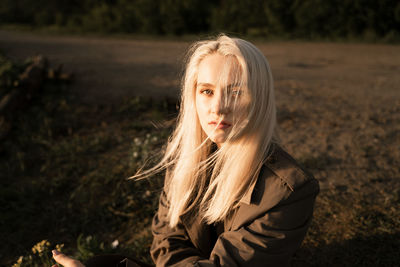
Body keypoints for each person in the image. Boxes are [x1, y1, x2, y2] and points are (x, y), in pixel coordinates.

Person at [52, 35, 319, 267]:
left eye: (236, 93)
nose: (218, 108)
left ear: (259, 100)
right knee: (103, 264)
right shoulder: (185, 156)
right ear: (192, 96)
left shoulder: (288, 191)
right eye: (206, 91)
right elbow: (165, 240)